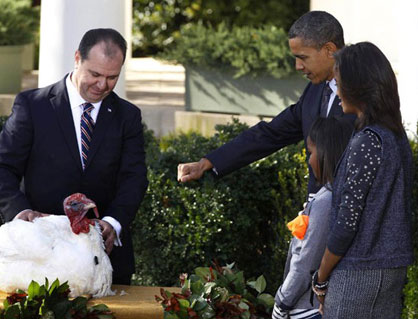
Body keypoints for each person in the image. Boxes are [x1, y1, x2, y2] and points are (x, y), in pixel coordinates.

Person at [0, 28, 149, 285]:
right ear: (77, 58)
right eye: (95, 74)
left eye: (112, 77)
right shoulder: (32, 105)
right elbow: (2, 168)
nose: (102, 85)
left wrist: (112, 222)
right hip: (37, 259)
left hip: (105, 263)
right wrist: (21, 213)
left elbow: (134, 178)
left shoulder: (127, 116)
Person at [177, 11, 355, 194]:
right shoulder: (316, 89)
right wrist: (208, 163)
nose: (298, 66)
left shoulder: (365, 94)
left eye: (303, 57)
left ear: (329, 50)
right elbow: (271, 133)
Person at [311, 42, 414, 318]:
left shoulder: (368, 141)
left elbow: (346, 224)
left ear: (358, 86)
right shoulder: (394, 137)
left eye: (340, 80)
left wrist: (320, 278)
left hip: (358, 274)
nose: (337, 87)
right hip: (390, 270)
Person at [272, 117, 353, 319]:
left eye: (311, 152)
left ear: (326, 152)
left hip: (307, 309)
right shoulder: (334, 195)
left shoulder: (326, 201)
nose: (309, 160)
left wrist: (282, 302)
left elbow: (306, 260)